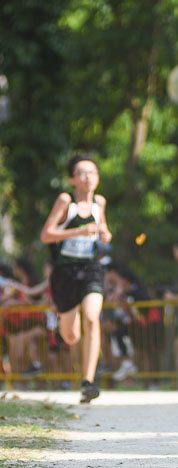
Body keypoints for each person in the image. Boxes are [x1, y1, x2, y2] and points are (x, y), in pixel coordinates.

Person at [40, 154, 112, 403]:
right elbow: (46, 235)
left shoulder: (99, 203)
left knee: (92, 317)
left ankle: (88, 381)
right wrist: (80, 230)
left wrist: (104, 234)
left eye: (92, 172)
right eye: (82, 173)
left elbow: (103, 231)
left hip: (91, 268)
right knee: (71, 336)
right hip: (65, 273)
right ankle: (63, 331)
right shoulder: (65, 201)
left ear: (98, 177)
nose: (88, 177)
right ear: (72, 179)